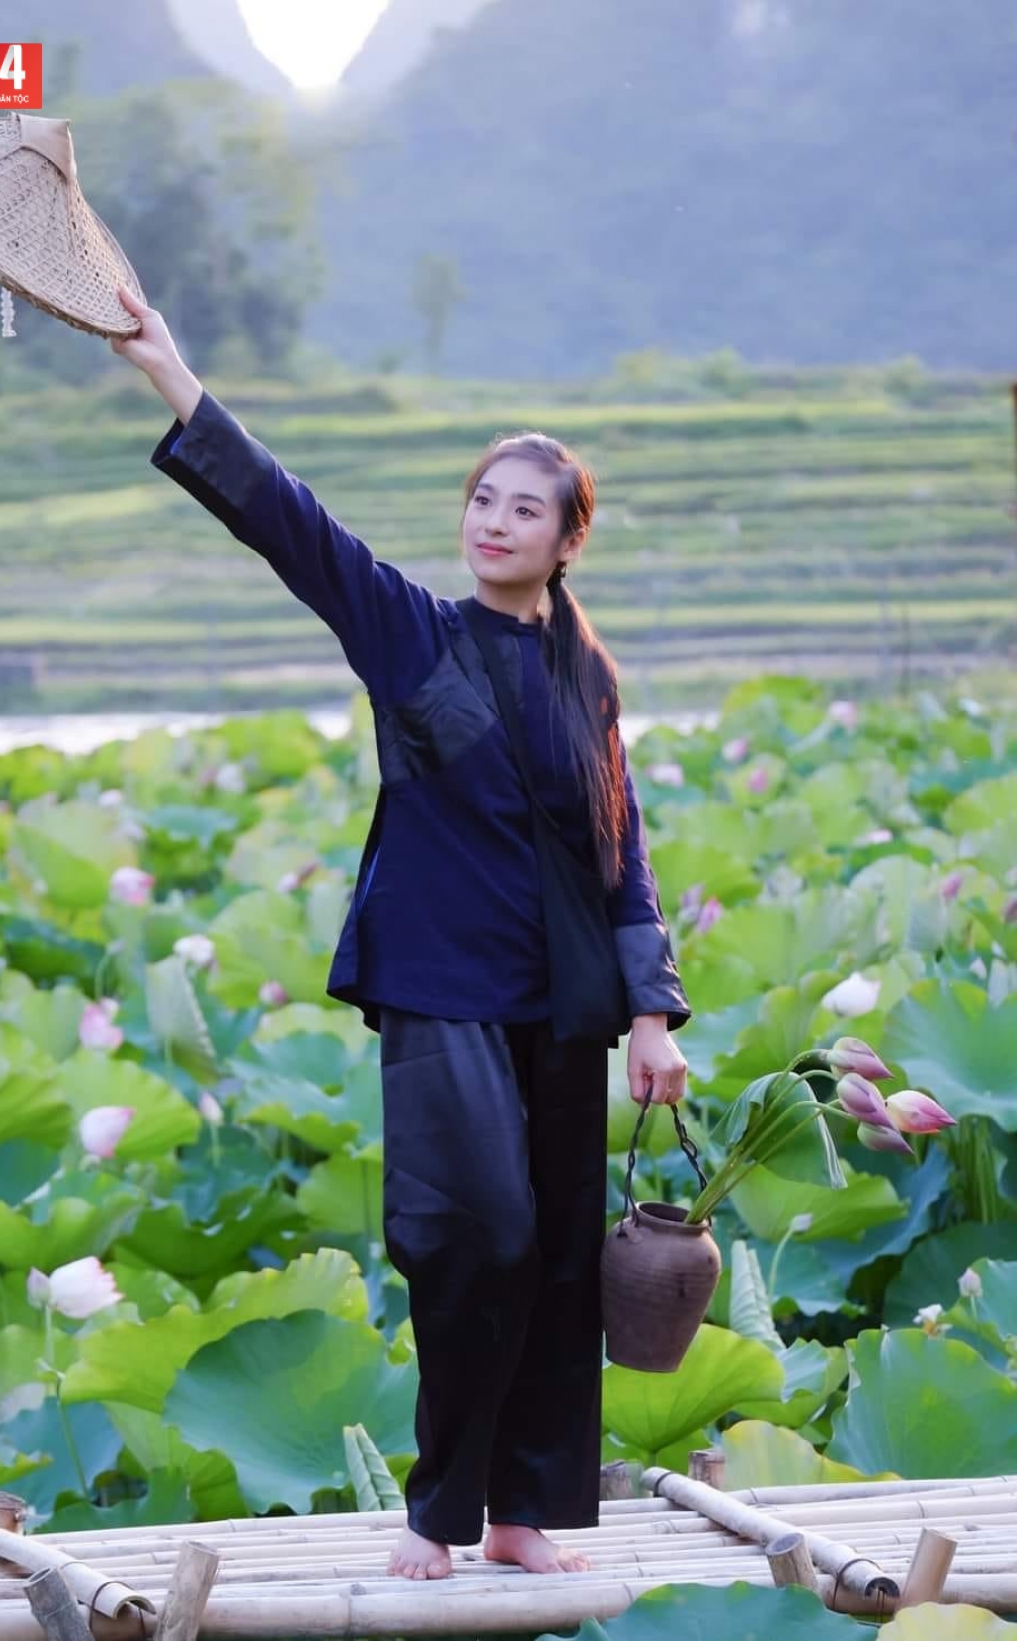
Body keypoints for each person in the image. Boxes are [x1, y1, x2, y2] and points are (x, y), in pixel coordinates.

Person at [111, 285, 691, 1580]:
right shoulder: (414, 636)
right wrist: (170, 371)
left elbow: (622, 845)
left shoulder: (587, 677)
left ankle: (523, 1514)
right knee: (476, 1235)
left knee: (556, 1255)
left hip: (566, 999)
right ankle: (440, 1508)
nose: (493, 521)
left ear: (567, 539)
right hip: (441, 987)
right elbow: (291, 523)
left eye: (523, 509)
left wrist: (654, 1012)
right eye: (482, 499)